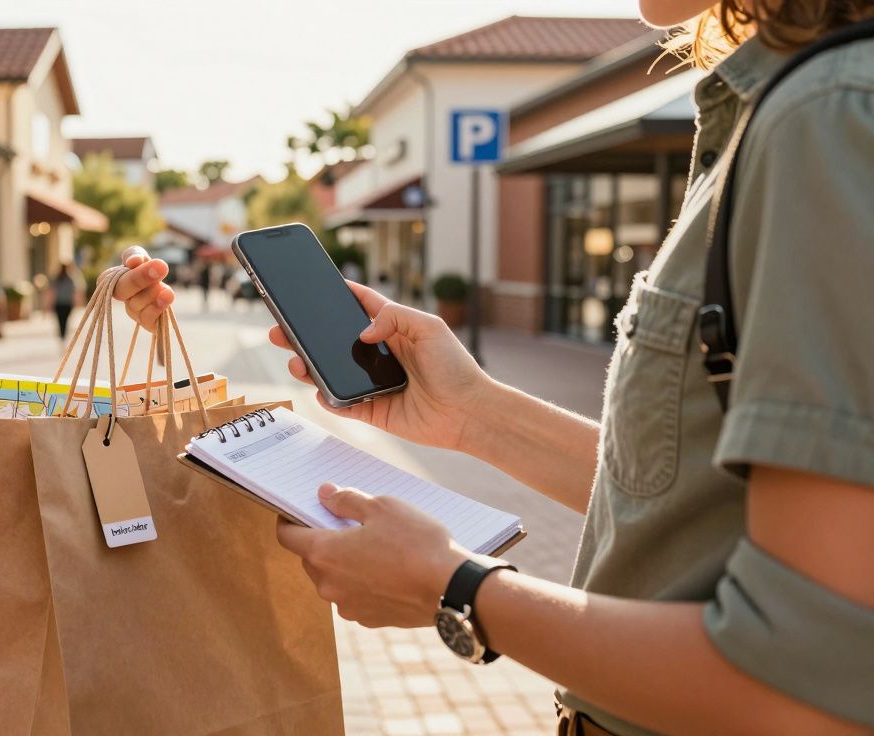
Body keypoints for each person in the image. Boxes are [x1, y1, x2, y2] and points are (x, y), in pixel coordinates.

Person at [110, 1, 874, 730]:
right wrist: (470, 412)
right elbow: (690, 498)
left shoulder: (826, 114)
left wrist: (453, 586)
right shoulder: (791, 105)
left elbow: (804, 685)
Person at [49, 262, 83, 341]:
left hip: (59, 303)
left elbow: (52, 292)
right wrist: (77, 302)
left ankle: (62, 334)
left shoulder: (57, 279)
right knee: (65, 319)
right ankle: (63, 334)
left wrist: (50, 303)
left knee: (60, 320)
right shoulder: (70, 279)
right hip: (67, 304)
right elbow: (75, 292)